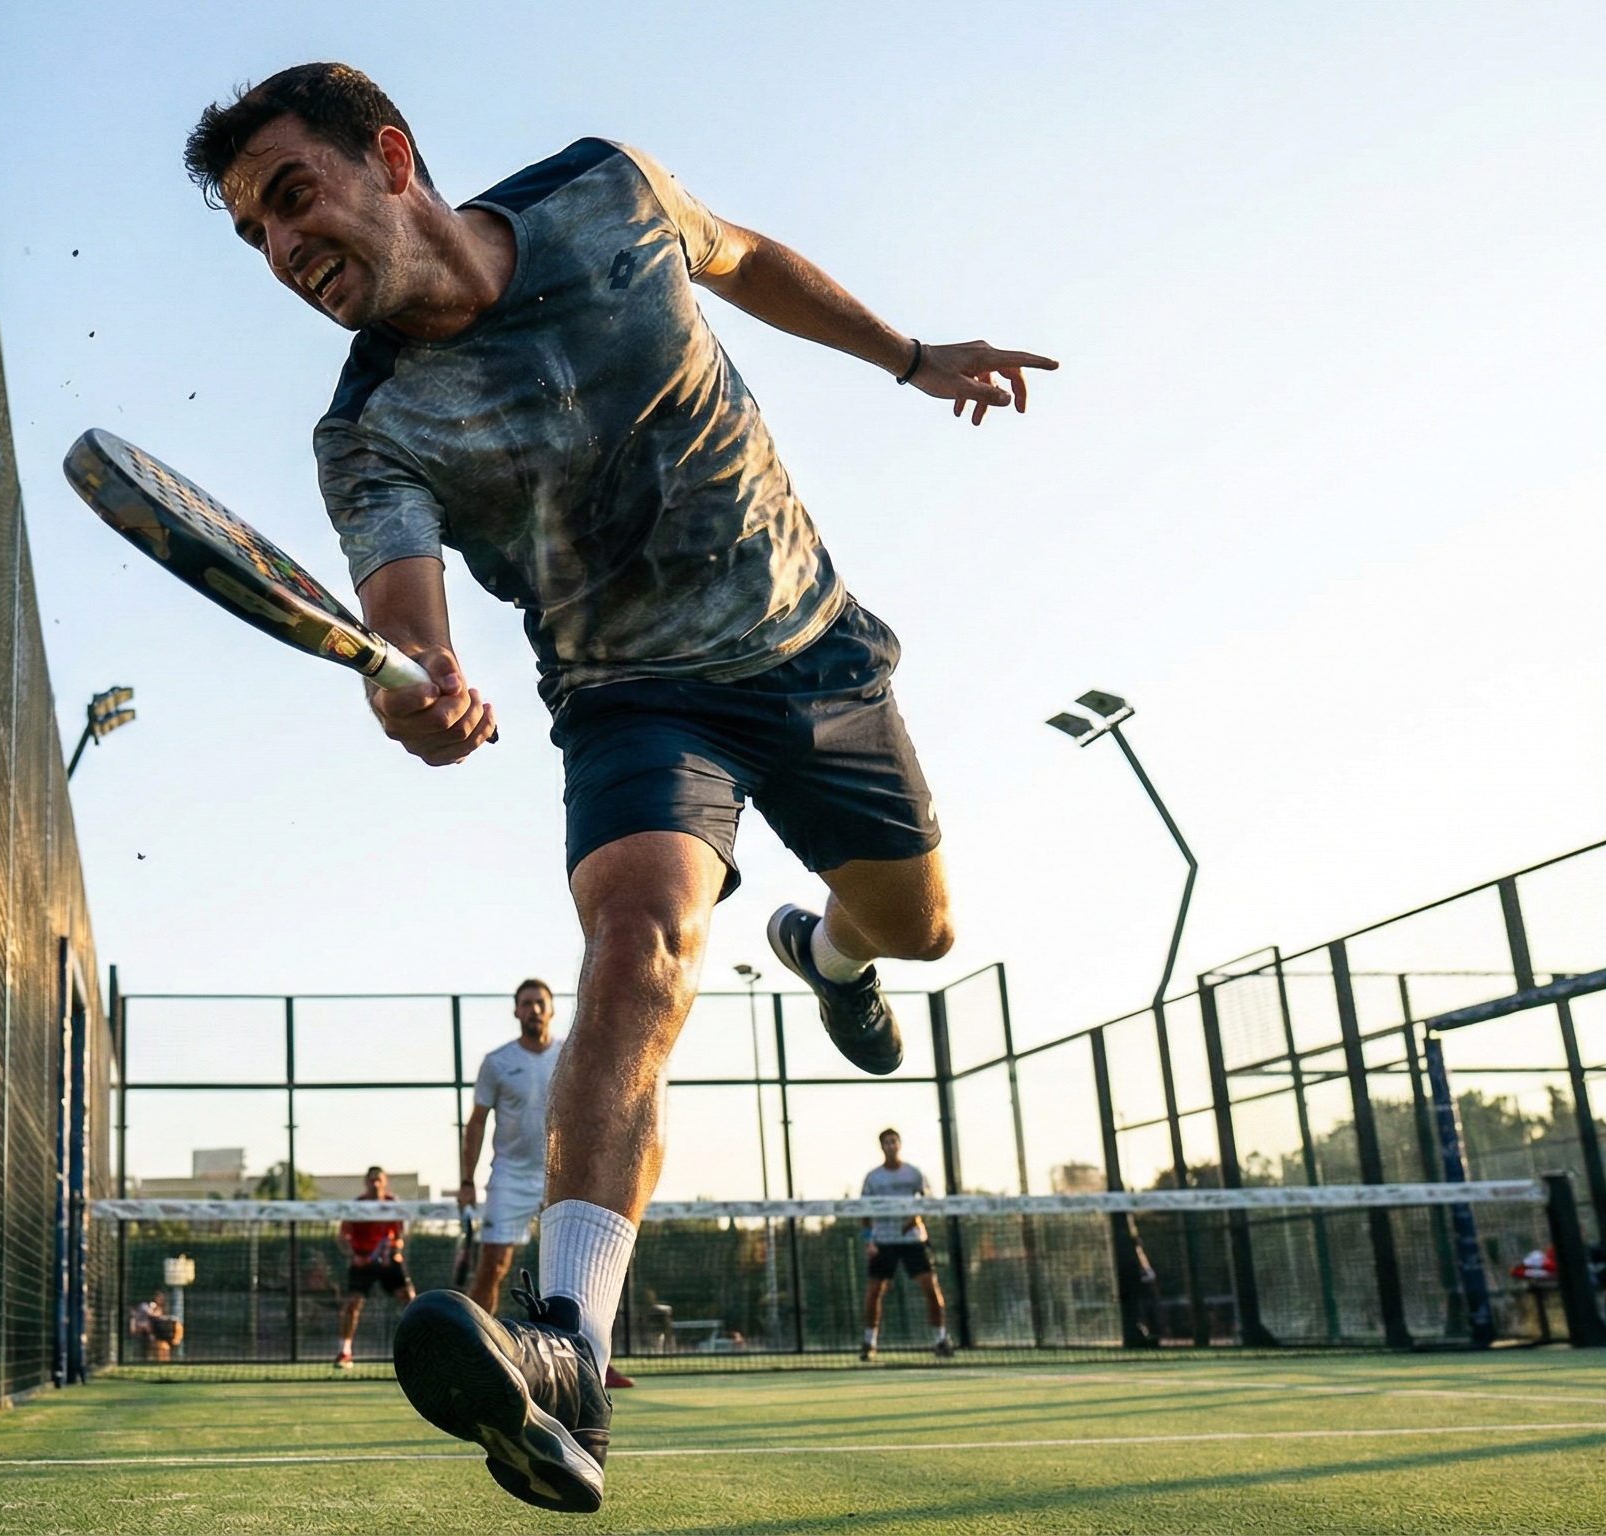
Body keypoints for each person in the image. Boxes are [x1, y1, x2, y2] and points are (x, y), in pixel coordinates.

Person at [183, 63, 1049, 1511]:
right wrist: (425, 689)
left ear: (390, 157)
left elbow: (747, 259)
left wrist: (911, 356)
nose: (282, 250)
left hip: (812, 646)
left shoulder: (606, 192)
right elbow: (408, 622)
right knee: (635, 941)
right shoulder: (371, 431)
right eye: (255, 237)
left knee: (922, 931)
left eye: (293, 197)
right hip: (633, 701)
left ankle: (826, 953)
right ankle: (570, 1344)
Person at [455, 982, 634, 1389]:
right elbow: (477, 1122)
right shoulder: (497, 1062)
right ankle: (476, 1356)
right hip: (509, 1179)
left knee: (585, 1272)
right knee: (492, 1268)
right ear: (516, 1012)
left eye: (540, 1003)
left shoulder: (571, 1054)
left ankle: (594, 1363)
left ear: (551, 1010)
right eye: (526, 1004)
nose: (533, 1009)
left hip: (564, 1174)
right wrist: (466, 1180)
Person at [858, 1128, 950, 1362]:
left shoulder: (914, 1174)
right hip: (883, 1241)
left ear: (899, 1144)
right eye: (886, 1143)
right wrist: (869, 1241)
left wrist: (914, 1219)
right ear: (881, 1147)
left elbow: (926, 1203)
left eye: (894, 1141)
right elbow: (864, 1212)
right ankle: (869, 1343)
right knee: (874, 1292)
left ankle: (940, 1339)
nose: (891, 1146)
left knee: (931, 1288)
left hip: (913, 1241)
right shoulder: (873, 1178)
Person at [337, 1166, 416, 1367]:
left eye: (378, 1179)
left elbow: (400, 1237)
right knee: (352, 1304)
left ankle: (422, 1347)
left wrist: (394, 1251)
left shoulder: (393, 1204)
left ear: (385, 1181)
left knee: (410, 1300)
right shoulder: (356, 1205)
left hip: (388, 1260)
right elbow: (342, 1236)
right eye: (371, 1180)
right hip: (363, 1261)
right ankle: (344, 1352)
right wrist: (354, 1256)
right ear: (366, 1182)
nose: (375, 1183)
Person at [128, 1291, 183, 1361]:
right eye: (160, 1298)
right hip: (141, 1327)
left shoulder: (158, 1309)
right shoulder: (146, 1306)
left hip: (151, 1332)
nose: (161, 1300)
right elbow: (150, 1316)